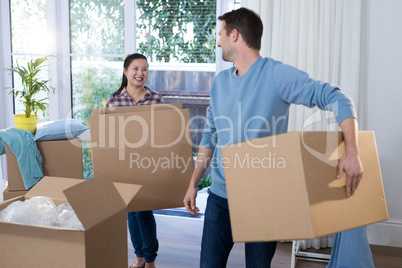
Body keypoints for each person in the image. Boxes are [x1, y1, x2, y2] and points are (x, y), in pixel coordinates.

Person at [183, 7, 370, 268]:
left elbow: (338, 98)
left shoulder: (276, 74)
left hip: (263, 199)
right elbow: (210, 136)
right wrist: (194, 183)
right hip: (219, 199)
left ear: (235, 35)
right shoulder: (219, 83)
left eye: (221, 34)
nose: (218, 41)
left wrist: (352, 151)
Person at [106, 53, 163, 268]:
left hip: (147, 162)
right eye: (136, 69)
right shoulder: (114, 100)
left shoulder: (156, 99)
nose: (141, 73)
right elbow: (109, 136)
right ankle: (139, 256)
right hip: (124, 163)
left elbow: (164, 133)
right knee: (131, 211)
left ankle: (150, 260)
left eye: (145, 69)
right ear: (125, 71)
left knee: (144, 211)